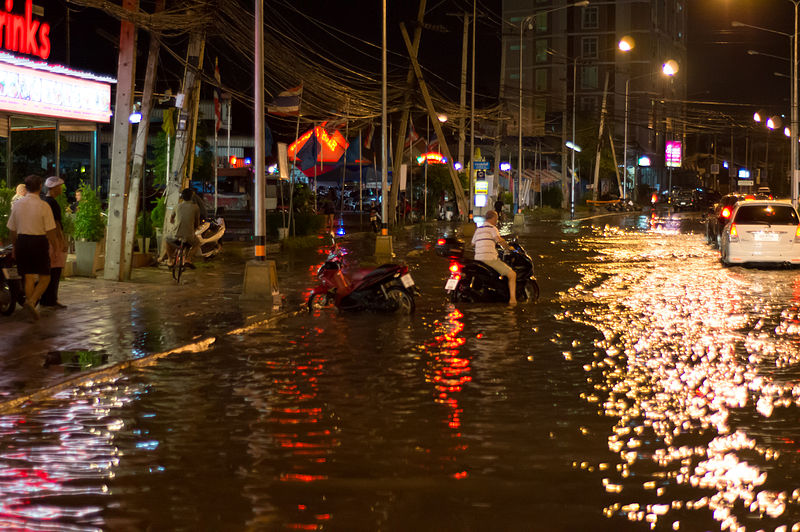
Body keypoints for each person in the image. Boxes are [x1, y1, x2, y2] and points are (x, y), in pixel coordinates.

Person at [6, 175, 58, 320]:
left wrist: (15, 246)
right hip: (38, 242)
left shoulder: (17, 204)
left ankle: (31, 310)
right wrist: (55, 246)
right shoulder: (43, 206)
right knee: (45, 276)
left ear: (26, 187)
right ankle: (31, 302)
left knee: (28, 276)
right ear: (40, 187)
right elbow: (50, 231)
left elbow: (12, 229)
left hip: (22, 241)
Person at [471, 209, 517, 306]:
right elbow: (499, 240)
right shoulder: (492, 228)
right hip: (489, 259)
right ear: (493, 218)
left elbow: (472, 244)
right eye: (496, 219)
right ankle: (513, 300)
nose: (497, 221)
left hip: (478, 260)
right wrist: (508, 247)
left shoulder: (478, 229)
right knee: (512, 275)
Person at [40, 176, 68, 309]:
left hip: (44, 239)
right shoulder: (53, 203)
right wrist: (62, 241)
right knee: (55, 270)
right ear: (55, 188)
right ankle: (51, 300)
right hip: (53, 240)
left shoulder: (43, 201)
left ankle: (46, 299)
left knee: (48, 270)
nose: (62, 189)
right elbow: (56, 224)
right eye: (60, 186)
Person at [165, 188, 201, 268]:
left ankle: (170, 260)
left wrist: (176, 223)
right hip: (189, 237)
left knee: (167, 239)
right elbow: (196, 223)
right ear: (192, 197)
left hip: (176, 235)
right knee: (197, 243)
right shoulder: (195, 207)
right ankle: (188, 259)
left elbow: (171, 219)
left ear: (182, 197)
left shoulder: (177, 206)